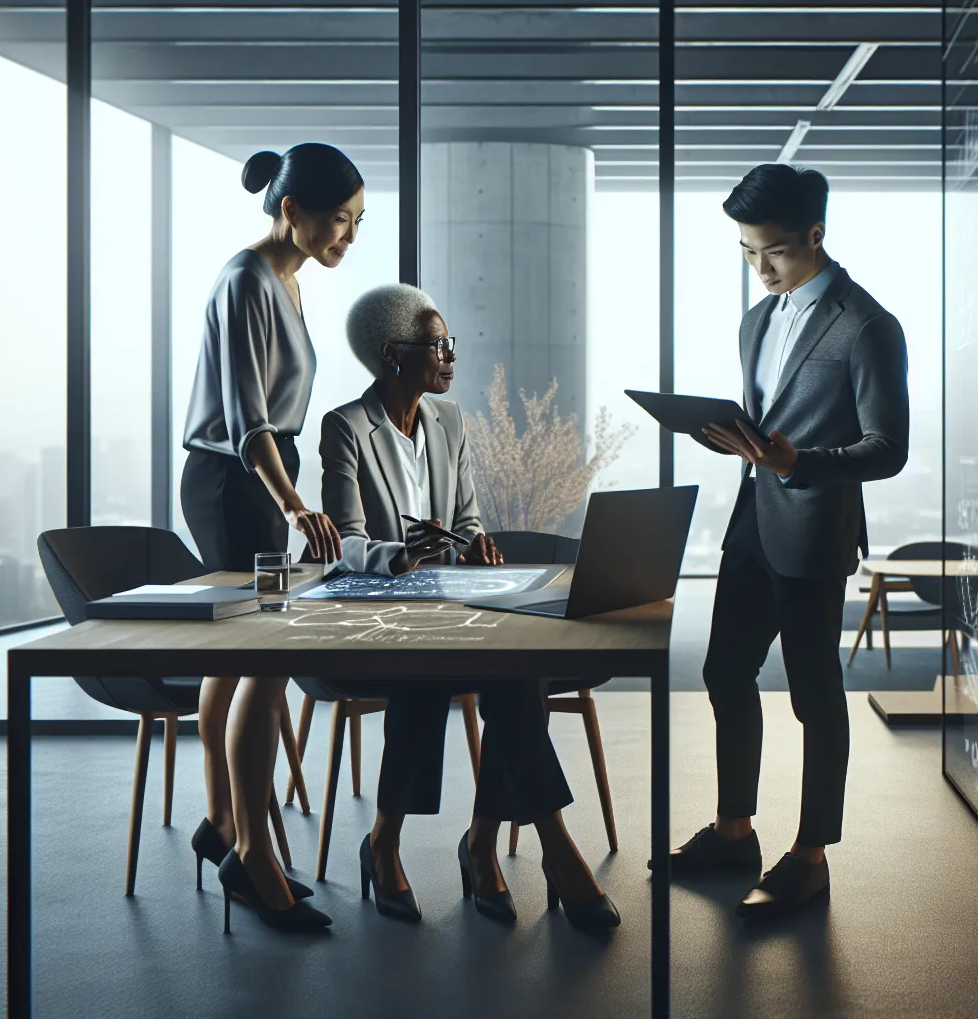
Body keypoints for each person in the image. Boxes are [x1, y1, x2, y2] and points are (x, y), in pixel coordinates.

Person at [319, 282, 620, 934]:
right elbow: (343, 542)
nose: (451, 356)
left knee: (517, 674)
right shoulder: (345, 428)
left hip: (455, 603)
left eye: (451, 344)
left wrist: (474, 537)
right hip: (387, 614)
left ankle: (481, 843)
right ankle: (535, 852)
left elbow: (466, 513)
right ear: (391, 353)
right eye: (438, 345)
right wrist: (399, 558)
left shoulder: (450, 422)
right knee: (438, 679)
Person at [673, 164, 909, 919]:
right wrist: (733, 440)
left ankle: (810, 858)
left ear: (816, 234)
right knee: (723, 671)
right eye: (746, 252)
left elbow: (888, 449)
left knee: (814, 694)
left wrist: (798, 462)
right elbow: (766, 419)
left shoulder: (868, 326)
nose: (759, 267)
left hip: (813, 532)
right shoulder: (758, 320)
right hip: (752, 520)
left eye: (772, 251)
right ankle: (734, 832)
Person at [178, 142, 364, 932]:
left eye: (356, 223)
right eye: (337, 220)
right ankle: (250, 852)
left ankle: (224, 824)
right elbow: (250, 417)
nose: (347, 237)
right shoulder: (249, 280)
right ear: (292, 210)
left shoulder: (286, 280)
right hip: (238, 480)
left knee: (241, 658)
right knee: (266, 656)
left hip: (259, 474)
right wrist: (293, 506)